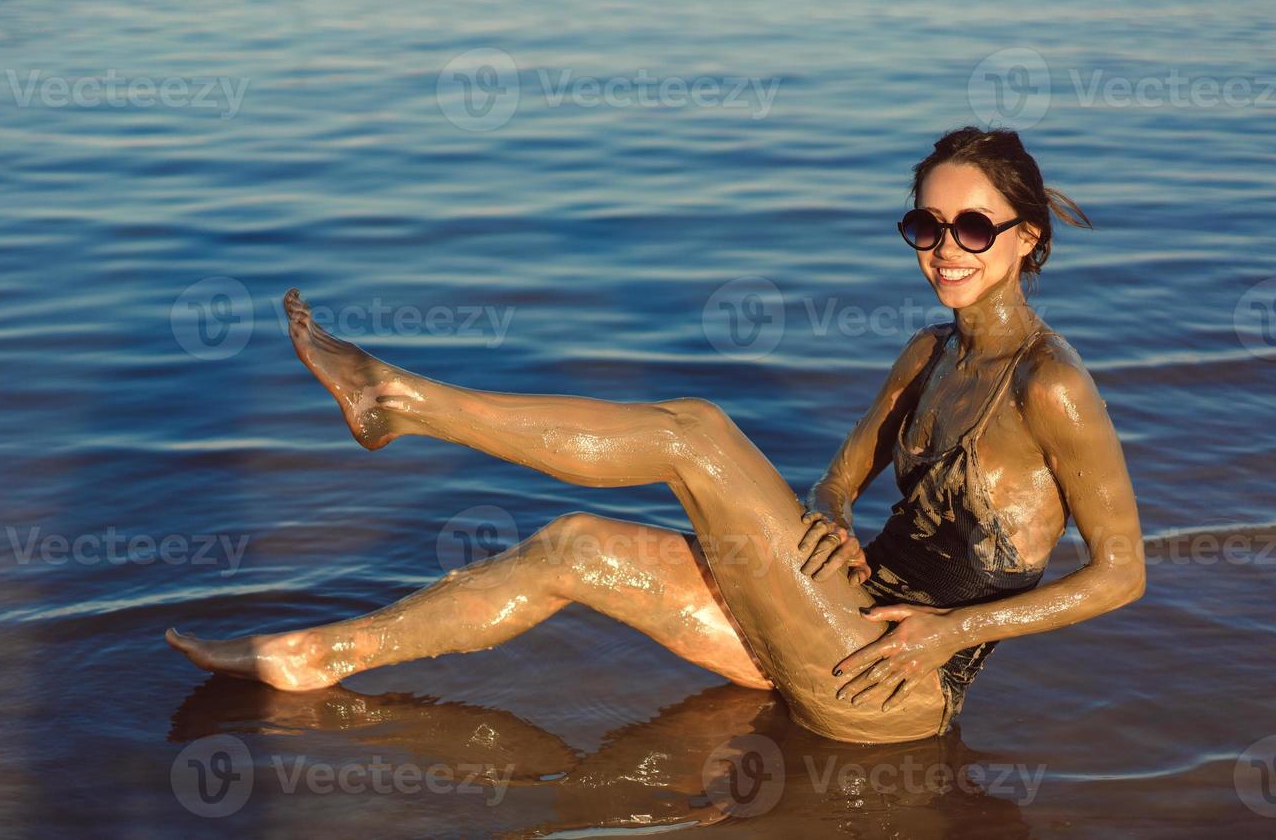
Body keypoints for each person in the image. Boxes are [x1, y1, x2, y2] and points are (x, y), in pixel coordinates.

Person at [166, 126, 1145, 745]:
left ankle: (399, 402)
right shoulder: (926, 353)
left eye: (971, 227)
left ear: (1025, 237)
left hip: (893, 689)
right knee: (575, 546)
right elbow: (837, 480)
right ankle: (317, 654)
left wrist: (953, 626)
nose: (943, 248)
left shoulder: (1049, 386)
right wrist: (826, 511)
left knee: (695, 433)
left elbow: (1120, 574)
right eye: (923, 226)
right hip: (826, 623)